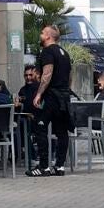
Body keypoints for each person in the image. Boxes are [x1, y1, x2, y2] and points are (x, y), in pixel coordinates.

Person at [30, 25, 73, 176]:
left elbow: (47, 74)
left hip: (51, 97)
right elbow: (70, 77)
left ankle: (44, 167)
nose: (40, 35)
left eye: (42, 33)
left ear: (48, 36)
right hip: (64, 97)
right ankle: (59, 166)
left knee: (40, 127)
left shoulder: (47, 51)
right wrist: (65, 91)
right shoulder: (64, 53)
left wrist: (39, 94)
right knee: (62, 131)